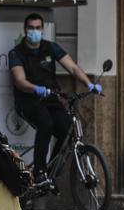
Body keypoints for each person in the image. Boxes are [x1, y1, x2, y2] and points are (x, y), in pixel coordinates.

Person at [8, 13, 101, 180]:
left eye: (37, 28)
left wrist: (89, 84)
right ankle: (40, 172)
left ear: (42, 30)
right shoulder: (16, 53)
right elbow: (19, 80)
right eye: (31, 28)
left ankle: (51, 172)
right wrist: (35, 88)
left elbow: (73, 68)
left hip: (51, 99)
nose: (34, 31)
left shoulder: (50, 47)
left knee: (67, 129)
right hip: (28, 101)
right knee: (46, 124)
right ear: (25, 29)